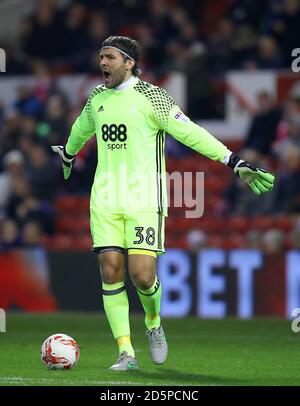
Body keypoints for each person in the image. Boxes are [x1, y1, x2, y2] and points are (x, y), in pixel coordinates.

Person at [52, 35, 275, 371]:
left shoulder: (152, 97)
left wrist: (233, 161)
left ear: (128, 63)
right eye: (101, 57)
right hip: (105, 200)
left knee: (142, 276)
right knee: (110, 270)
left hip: (144, 199)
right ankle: (126, 353)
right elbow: (81, 129)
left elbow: (191, 132)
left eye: (110, 57)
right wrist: (68, 154)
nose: (103, 63)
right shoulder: (97, 98)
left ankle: (153, 323)